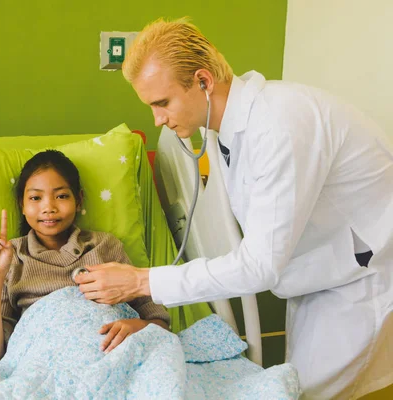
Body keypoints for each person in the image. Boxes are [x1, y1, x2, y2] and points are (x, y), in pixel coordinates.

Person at [75, 17, 393, 399]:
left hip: (360, 280)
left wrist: (142, 281)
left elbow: (259, 265)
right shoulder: (233, 126)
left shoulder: (279, 125)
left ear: (203, 81)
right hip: (318, 273)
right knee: (288, 387)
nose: (158, 118)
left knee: (302, 393)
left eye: (162, 103)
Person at [0, 150, 170, 362]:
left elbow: (161, 324)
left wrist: (138, 326)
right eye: (35, 198)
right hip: (45, 362)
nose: (48, 208)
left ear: (79, 200)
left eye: (62, 196)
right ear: (22, 204)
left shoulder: (104, 246)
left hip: (110, 356)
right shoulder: (11, 257)